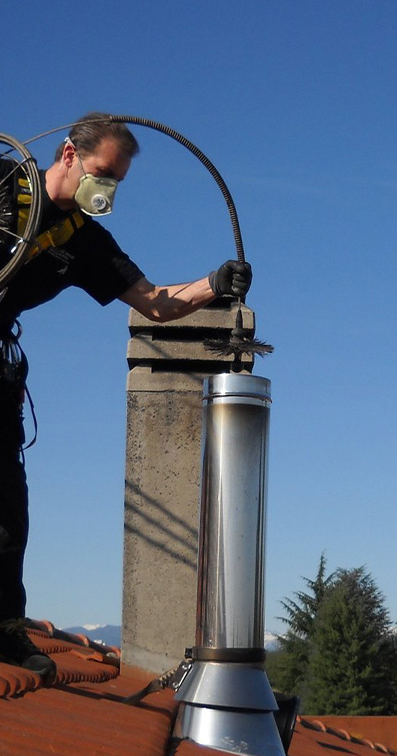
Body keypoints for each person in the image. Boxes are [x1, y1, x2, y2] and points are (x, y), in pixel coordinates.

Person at [0, 112, 251, 681]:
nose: (105, 189)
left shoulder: (88, 244)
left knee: (7, 513)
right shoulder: (2, 185)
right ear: (67, 155)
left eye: (114, 181)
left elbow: (155, 302)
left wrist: (216, 282)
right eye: (101, 173)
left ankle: (5, 635)